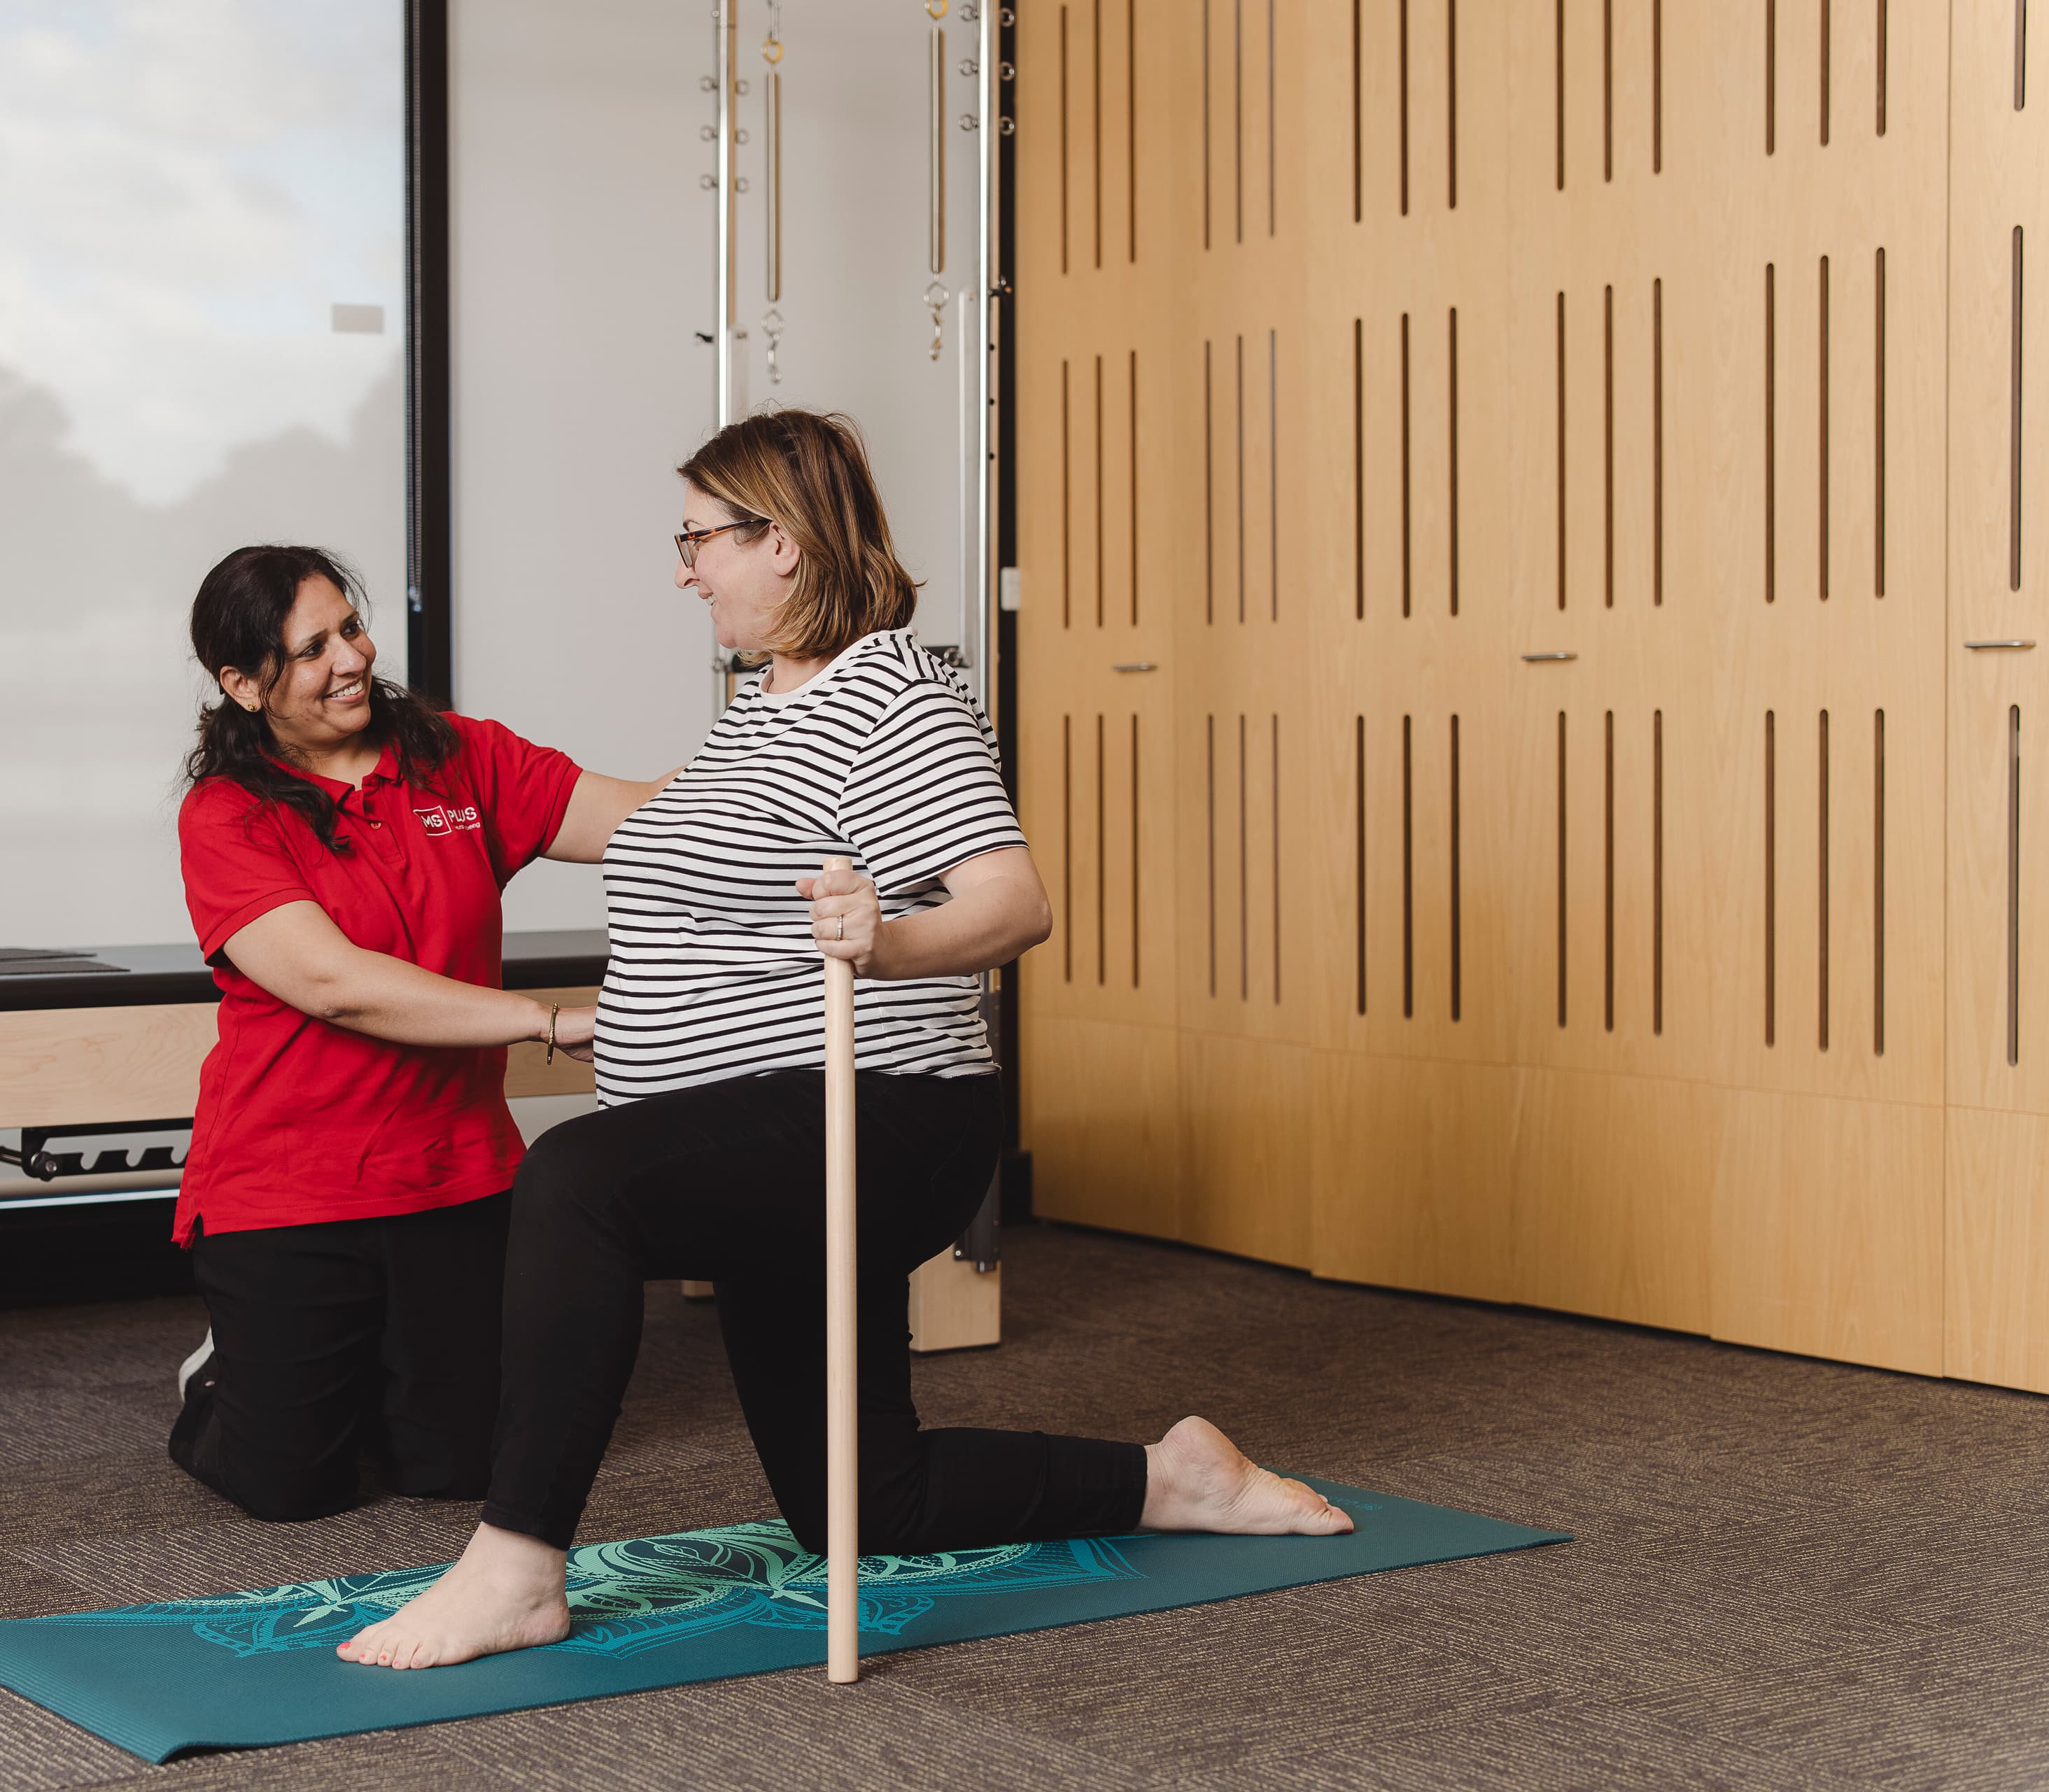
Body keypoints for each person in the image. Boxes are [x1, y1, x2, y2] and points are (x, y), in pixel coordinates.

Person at [337, 410, 1351, 1671]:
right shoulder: (763, 710)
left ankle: (516, 1567)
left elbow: (1011, 903)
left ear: (788, 543)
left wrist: (886, 942)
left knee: (577, 1179)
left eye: (699, 536)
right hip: (767, 1135)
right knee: (865, 1503)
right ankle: (1173, 1478)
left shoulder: (892, 694)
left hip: (878, 1110)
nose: (682, 566)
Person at [169, 544, 668, 1523]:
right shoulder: (225, 812)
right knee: (289, 1487)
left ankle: (357, 1370)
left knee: (460, 1466)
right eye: (310, 649)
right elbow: (334, 984)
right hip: (289, 1183)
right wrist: (551, 1020)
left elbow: (646, 819)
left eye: (349, 627)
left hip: (454, 1172)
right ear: (242, 683)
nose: (351, 657)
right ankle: (218, 1378)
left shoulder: (458, 755)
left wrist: (788, 759)